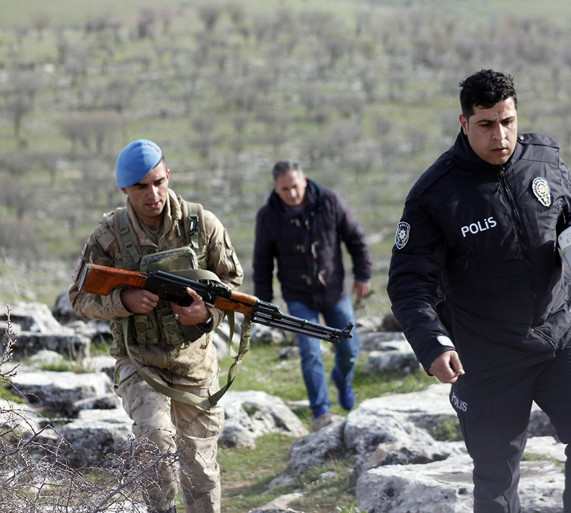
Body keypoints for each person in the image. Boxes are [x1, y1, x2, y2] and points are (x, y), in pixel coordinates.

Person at [386, 70, 571, 512]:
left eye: (507, 121)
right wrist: (432, 344)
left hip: (559, 334)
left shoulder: (545, 159)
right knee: (496, 477)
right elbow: (408, 282)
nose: (501, 135)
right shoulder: (436, 194)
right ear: (464, 123)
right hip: (487, 355)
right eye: (487, 125)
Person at [69, 139, 243, 513]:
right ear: (125, 190)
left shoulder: (201, 224)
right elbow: (79, 297)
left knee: (200, 468)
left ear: (169, 176)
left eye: (159, 182)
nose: (153, 194)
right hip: (139, 361)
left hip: (194, 362)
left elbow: (232, 289)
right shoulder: (109, 235)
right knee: (157, 446)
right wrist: (123, 302)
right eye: (141, 187)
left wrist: (206, 314)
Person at [252, 161, 372, 430]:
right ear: (276, 188)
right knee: (310, 352)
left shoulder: (329, 201)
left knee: (349, 349)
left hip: (334, 290)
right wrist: (264, 303)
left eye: (295, 187)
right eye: (285, 189)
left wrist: (363, 275)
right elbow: (262, 263)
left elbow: (355, 238)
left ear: (303, 180)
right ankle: (321, 412)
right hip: (298, 295)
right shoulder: (268, 216)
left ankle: (342, 378)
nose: (292, 194)